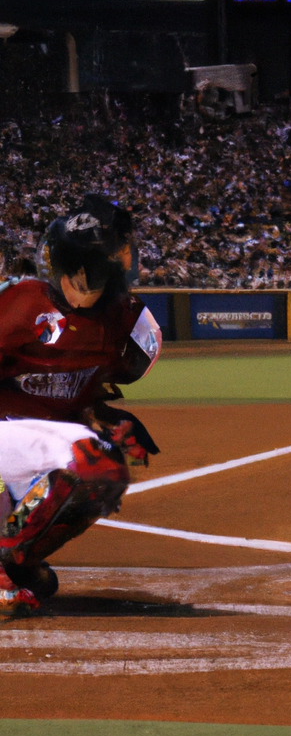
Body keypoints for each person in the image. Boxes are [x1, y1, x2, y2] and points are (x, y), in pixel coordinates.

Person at [0, 195, 161, 615]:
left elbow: (78, 390)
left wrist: (105, 415)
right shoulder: (18, 305)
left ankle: (14, 558)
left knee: (101, 467)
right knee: (85, 456)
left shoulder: (122, 319)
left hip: (27, 448)